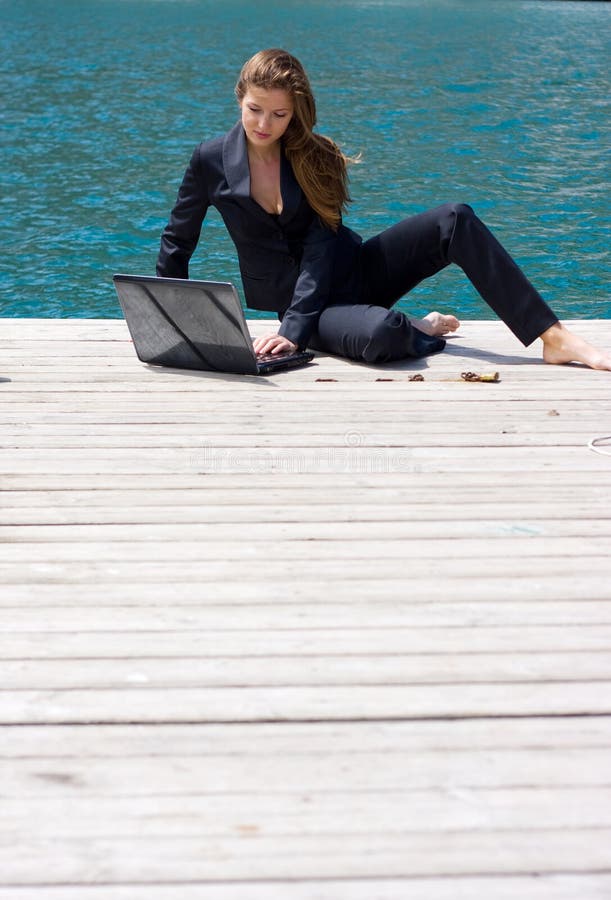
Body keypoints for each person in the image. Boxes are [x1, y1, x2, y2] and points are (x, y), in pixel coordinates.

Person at [157, 48, 611, 371]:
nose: (264, 124)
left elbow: (320, 246)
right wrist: (172, 321)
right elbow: (179, 241)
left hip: (357, 270)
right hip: (307, 309)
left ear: (296, 113)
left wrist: (292, 332)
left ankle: (554, 338)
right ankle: (422, 326)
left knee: (454, 218)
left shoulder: (316, 156)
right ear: (240, 96)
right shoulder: (210, 159)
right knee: (381, 333)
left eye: (280, 115)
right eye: (255, 109)